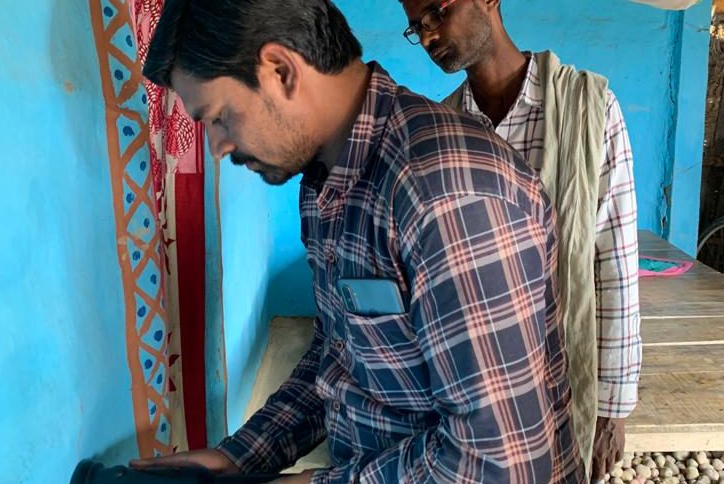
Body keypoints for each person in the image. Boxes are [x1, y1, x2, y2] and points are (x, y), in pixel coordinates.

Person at [131, 0, 583, 482]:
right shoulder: (325, 180)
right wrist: (240, 457)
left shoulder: (444, 193)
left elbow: (498, 462)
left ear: (281, 70)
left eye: (220, 117)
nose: (218, 147)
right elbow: (342, 353)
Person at [396, 0, 643, 480]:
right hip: (474, 402)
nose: (427, 36)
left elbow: (613, 260)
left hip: (561, 382)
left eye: (436, 12)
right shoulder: (443, 130)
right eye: (415, 27)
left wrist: (611, 408)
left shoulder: (588, 106)